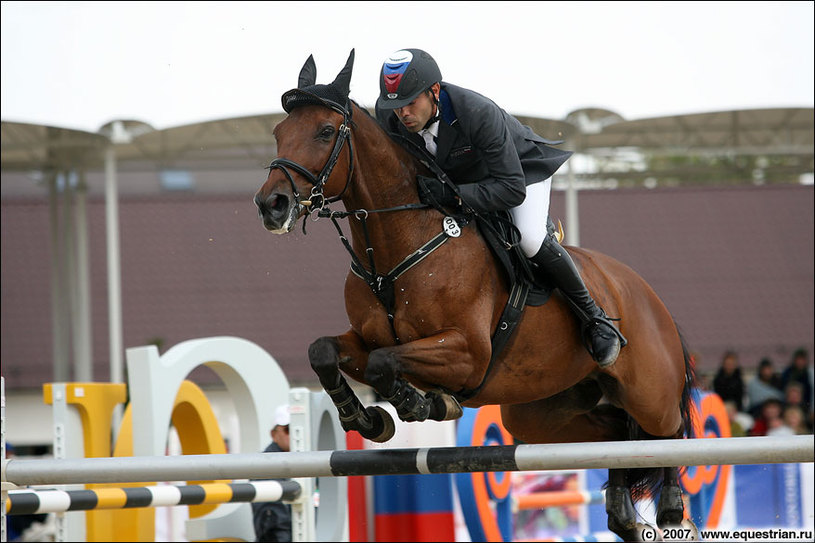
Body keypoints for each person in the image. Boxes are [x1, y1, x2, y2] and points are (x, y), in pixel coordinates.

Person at [375, 48, 625, 368]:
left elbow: (511, 188)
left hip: (519, 172)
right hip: (462, 179)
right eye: (397, 106)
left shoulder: (477, 112)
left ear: (434, 91)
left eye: (411, 102)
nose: (403, 113)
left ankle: (596, 319)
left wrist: (452, 196)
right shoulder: (390, 116)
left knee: (529, 239)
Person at [252, 405, 292, 542]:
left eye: (300, 426)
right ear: (274, 435)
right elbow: (272, 522)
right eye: (288, 429)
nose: (295, 434)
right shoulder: (264, 466)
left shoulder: (312, 462)